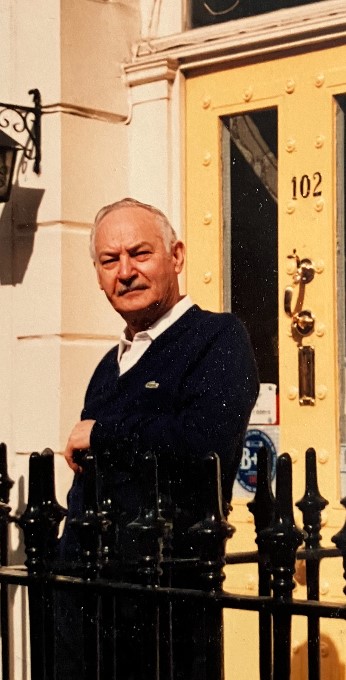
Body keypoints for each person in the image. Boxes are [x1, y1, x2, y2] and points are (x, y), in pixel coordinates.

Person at [56, 196, 259, 679]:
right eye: (109, 260)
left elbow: (206, 441)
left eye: (140, 254)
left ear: (177, 257)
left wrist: (103, 435)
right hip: (86, 601)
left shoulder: (219, 338)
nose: (124, 272)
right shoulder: (112, 363)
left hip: (164, 602)